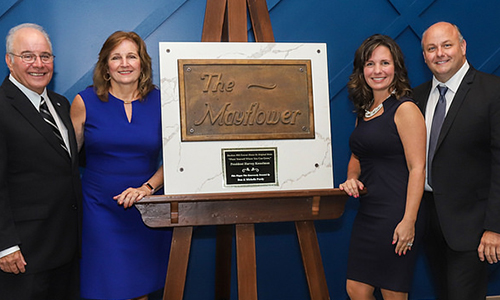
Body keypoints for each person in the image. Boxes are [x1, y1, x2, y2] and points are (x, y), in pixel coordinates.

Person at [70, 31, 172, 300]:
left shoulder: (164, 102)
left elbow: (178, 157)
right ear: (105, 65)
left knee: (140, 289)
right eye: (116, 57)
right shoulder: (84, 102)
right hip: (99, 210)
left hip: (146, 210)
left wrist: (148, 188)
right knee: (106, 287)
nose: (124, 63)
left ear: (142, 63)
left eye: (131, 56)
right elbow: (66, 157)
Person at [413, 21, 500, 300]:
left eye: (447, 45)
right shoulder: (416, 97)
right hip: (429, 224)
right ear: (424, 56)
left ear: (462, 47)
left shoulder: (493, 91)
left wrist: (495, 227)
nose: (440, 53)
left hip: (474, 230)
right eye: (431, 48)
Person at [339, 34, 426, 299]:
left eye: (385, 63)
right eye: (370, 63)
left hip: (397, 214)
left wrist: (409, 221)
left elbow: (418, 168)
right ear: (361, 69)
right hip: (368, 213)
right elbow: (357, 157)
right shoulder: (366, 111)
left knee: (393, 293)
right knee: (355, 289)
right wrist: (351, 178)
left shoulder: (405, 109)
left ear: (396, 68)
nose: (377, 70)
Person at [0, 23, 82, 299]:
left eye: (45, 56)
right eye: (28, 56)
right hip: (24, 256)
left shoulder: (60, 104)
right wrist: (5, 245)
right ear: (9, 61)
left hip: (66, 249)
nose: (39, 64)